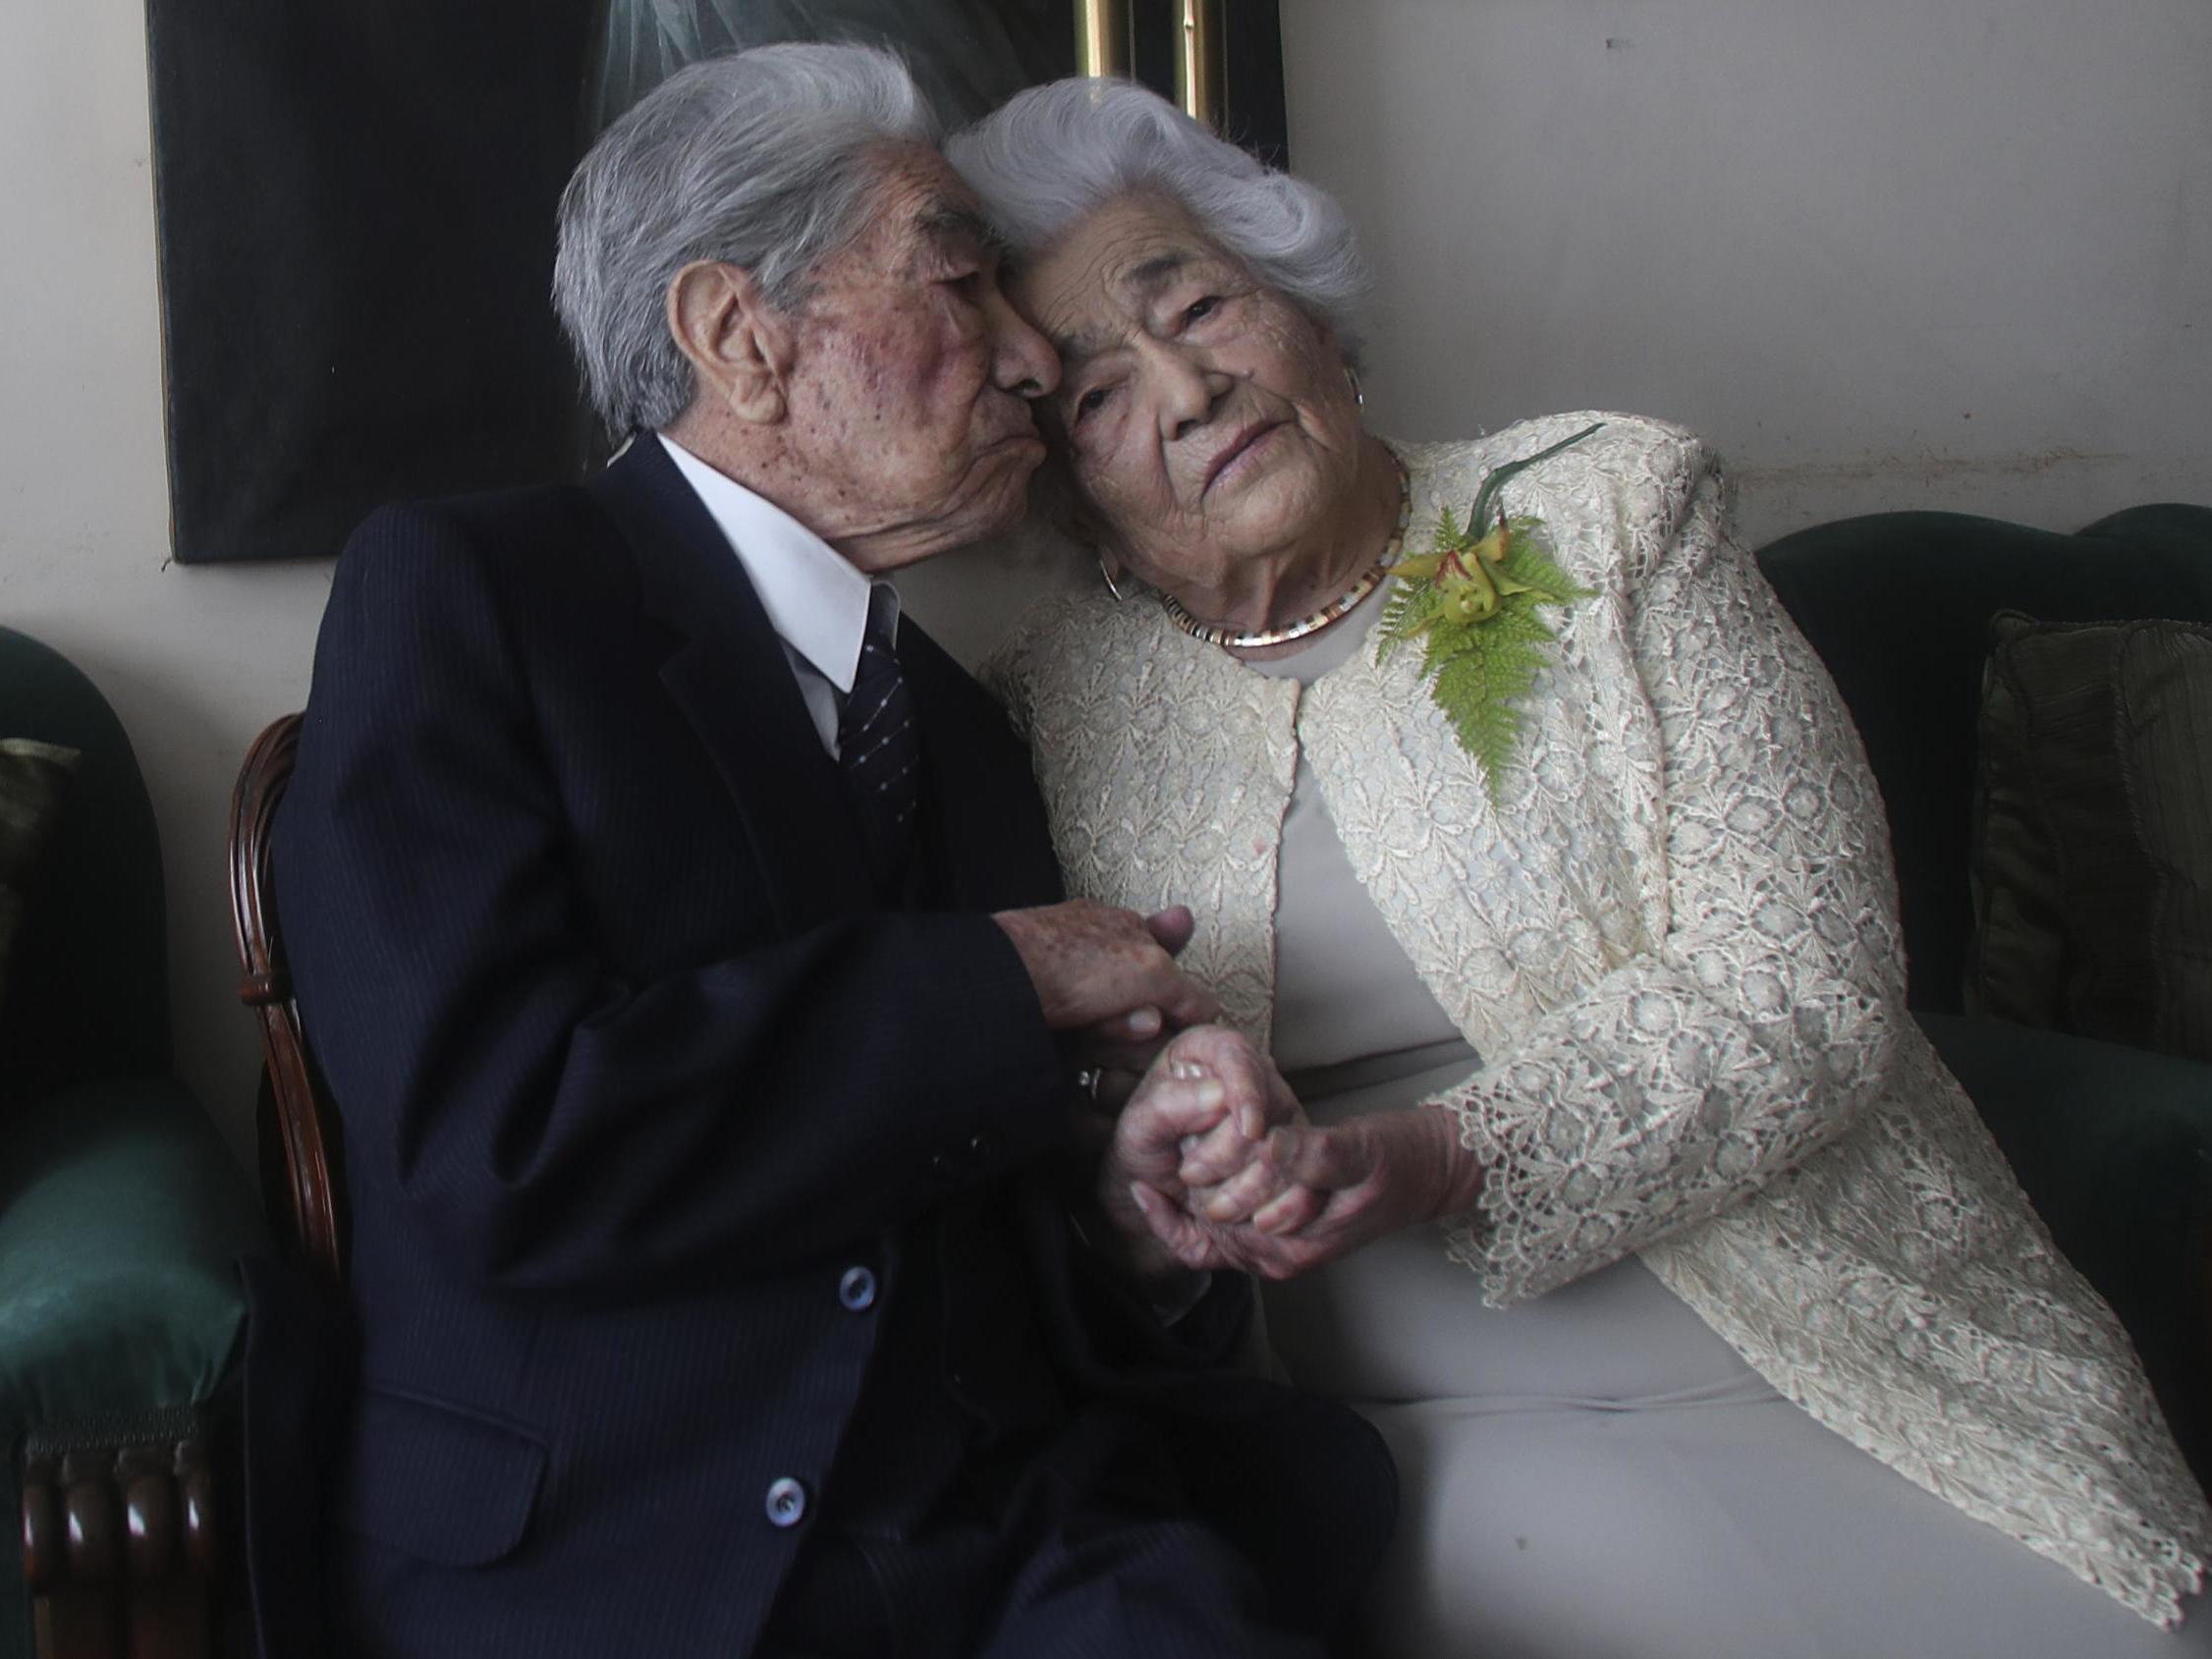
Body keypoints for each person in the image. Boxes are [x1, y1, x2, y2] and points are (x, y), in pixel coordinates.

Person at [951, 75, 2212, 1657]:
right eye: (1093, 398)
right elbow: (1057, 1143)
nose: (1188, 388)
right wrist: (1146, 1181)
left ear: (1309, 312)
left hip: (1820, 1322)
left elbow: (1805, 982)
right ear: (1073, 500)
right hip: (1409, 1422)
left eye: (1196, 302)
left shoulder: (1610, 509)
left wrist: (1435, 1152)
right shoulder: (1042, 709)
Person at [265, 45, 1394, 1659]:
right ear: (741, 337)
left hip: (1016, 1541)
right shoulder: (469, 599)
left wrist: (1136, 1206)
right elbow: (496, 1144)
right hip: (613, 1558)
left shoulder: (966, 720)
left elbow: (991, 1231)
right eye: (960, 284)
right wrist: (1003, 976)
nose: (1027, 359)